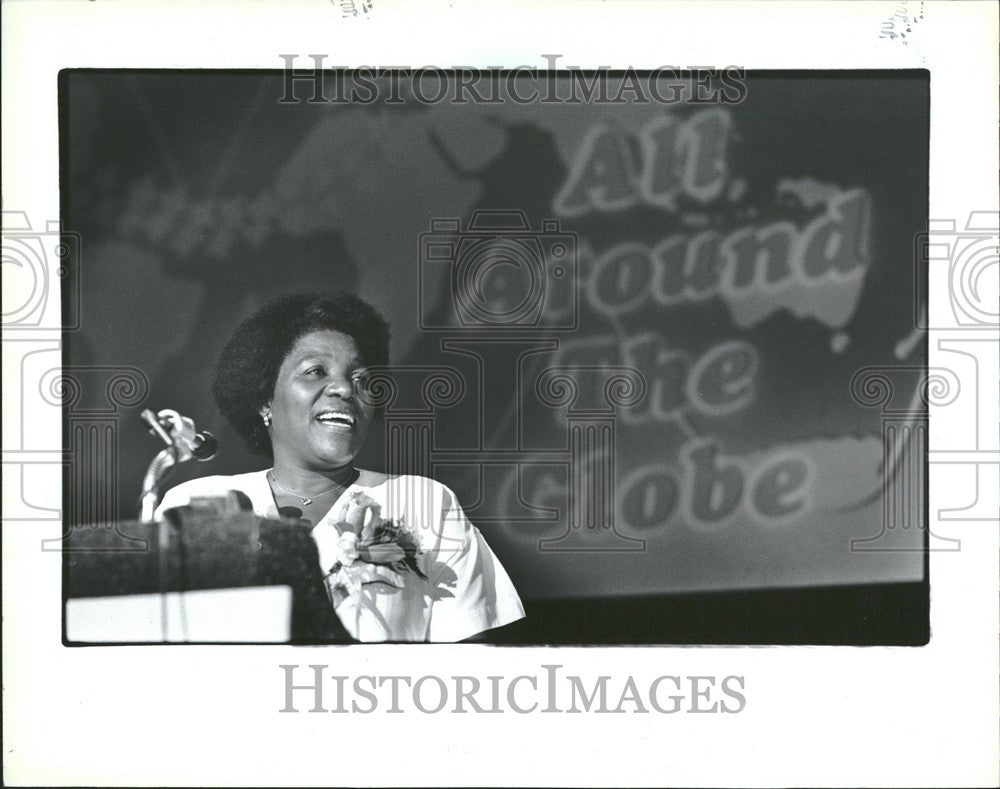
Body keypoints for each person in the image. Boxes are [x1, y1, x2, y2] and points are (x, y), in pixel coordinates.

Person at [155, 292, 525, 642]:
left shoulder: (422, 502)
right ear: (264, 398)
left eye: (360, 379)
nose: (345, 390)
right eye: (315, 371)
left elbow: (470, 660)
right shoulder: (197, 502)